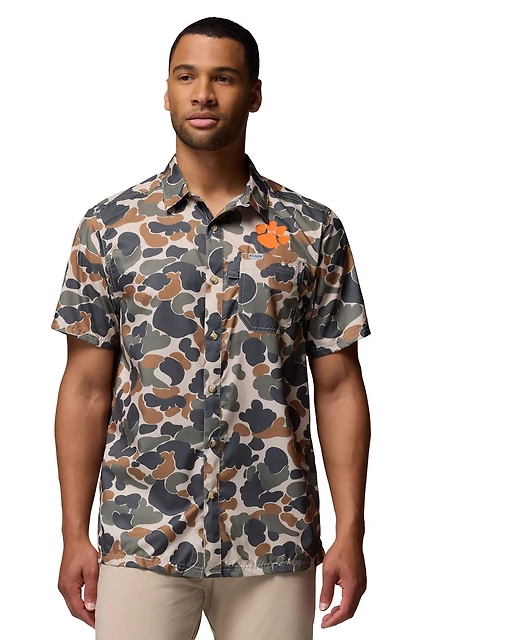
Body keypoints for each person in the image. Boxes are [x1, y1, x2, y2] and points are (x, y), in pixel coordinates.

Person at [51, 16, 371, 640]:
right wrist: (73, 535)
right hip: (142, 534)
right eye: (186, 77)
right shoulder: (110, 228)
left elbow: (338, 388)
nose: (203, 94)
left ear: (254, 93)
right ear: (166, 91)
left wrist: (351, 532)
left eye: (223, 77)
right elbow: (85, 389)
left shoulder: (312, 229)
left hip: (274, 536)